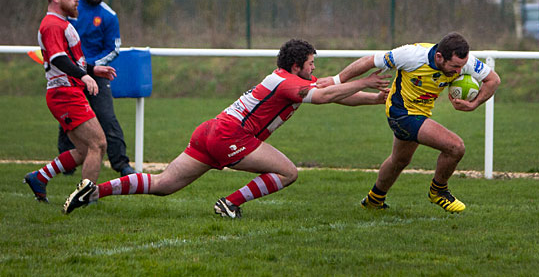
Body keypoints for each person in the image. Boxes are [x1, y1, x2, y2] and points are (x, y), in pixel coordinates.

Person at [63, 39, 390, 217]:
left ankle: (95, 191)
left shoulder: (289, 79)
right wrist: (364, 78)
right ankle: (230, 203)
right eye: (311, 65)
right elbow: (324, 96)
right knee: (289, 173)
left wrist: (374, 98)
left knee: (164, 184)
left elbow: (335, 92)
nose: (314, 69)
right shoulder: (289, 82)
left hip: (212, 130)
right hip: (231, 136)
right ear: (296, 66)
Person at [329, 32, 500, 213]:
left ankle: (374, 200)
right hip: (401, 113)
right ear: (439, 57)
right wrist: (336, 80)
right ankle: (438, 191)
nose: (459, 72)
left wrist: (473, 104)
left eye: (462, 67)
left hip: (421, 112)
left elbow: (493, 80)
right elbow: (370, 61)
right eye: (455, 66)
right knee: (455, 146)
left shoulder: (465, 63)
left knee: (400, 160)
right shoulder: (411, 55)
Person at [23, 0, 116, 207]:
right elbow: (58, 58)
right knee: (99, 144)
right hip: (65, 93)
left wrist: (94, 69)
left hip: (69, 92)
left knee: (86, 150)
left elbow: (73, 59)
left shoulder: (63, 23)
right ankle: (85, 199)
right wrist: (84, 75)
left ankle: (40, 177)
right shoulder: (52, 24)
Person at [57, 0, 135, 177]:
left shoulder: (109, 15)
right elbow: (60, 41)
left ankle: (122, 164)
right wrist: (77, 67)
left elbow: (114, 48)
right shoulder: (70, 9)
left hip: (97, 77)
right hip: (71, 74)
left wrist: (91, 67)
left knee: (107, 119)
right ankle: (67, 163)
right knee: (68, 119)